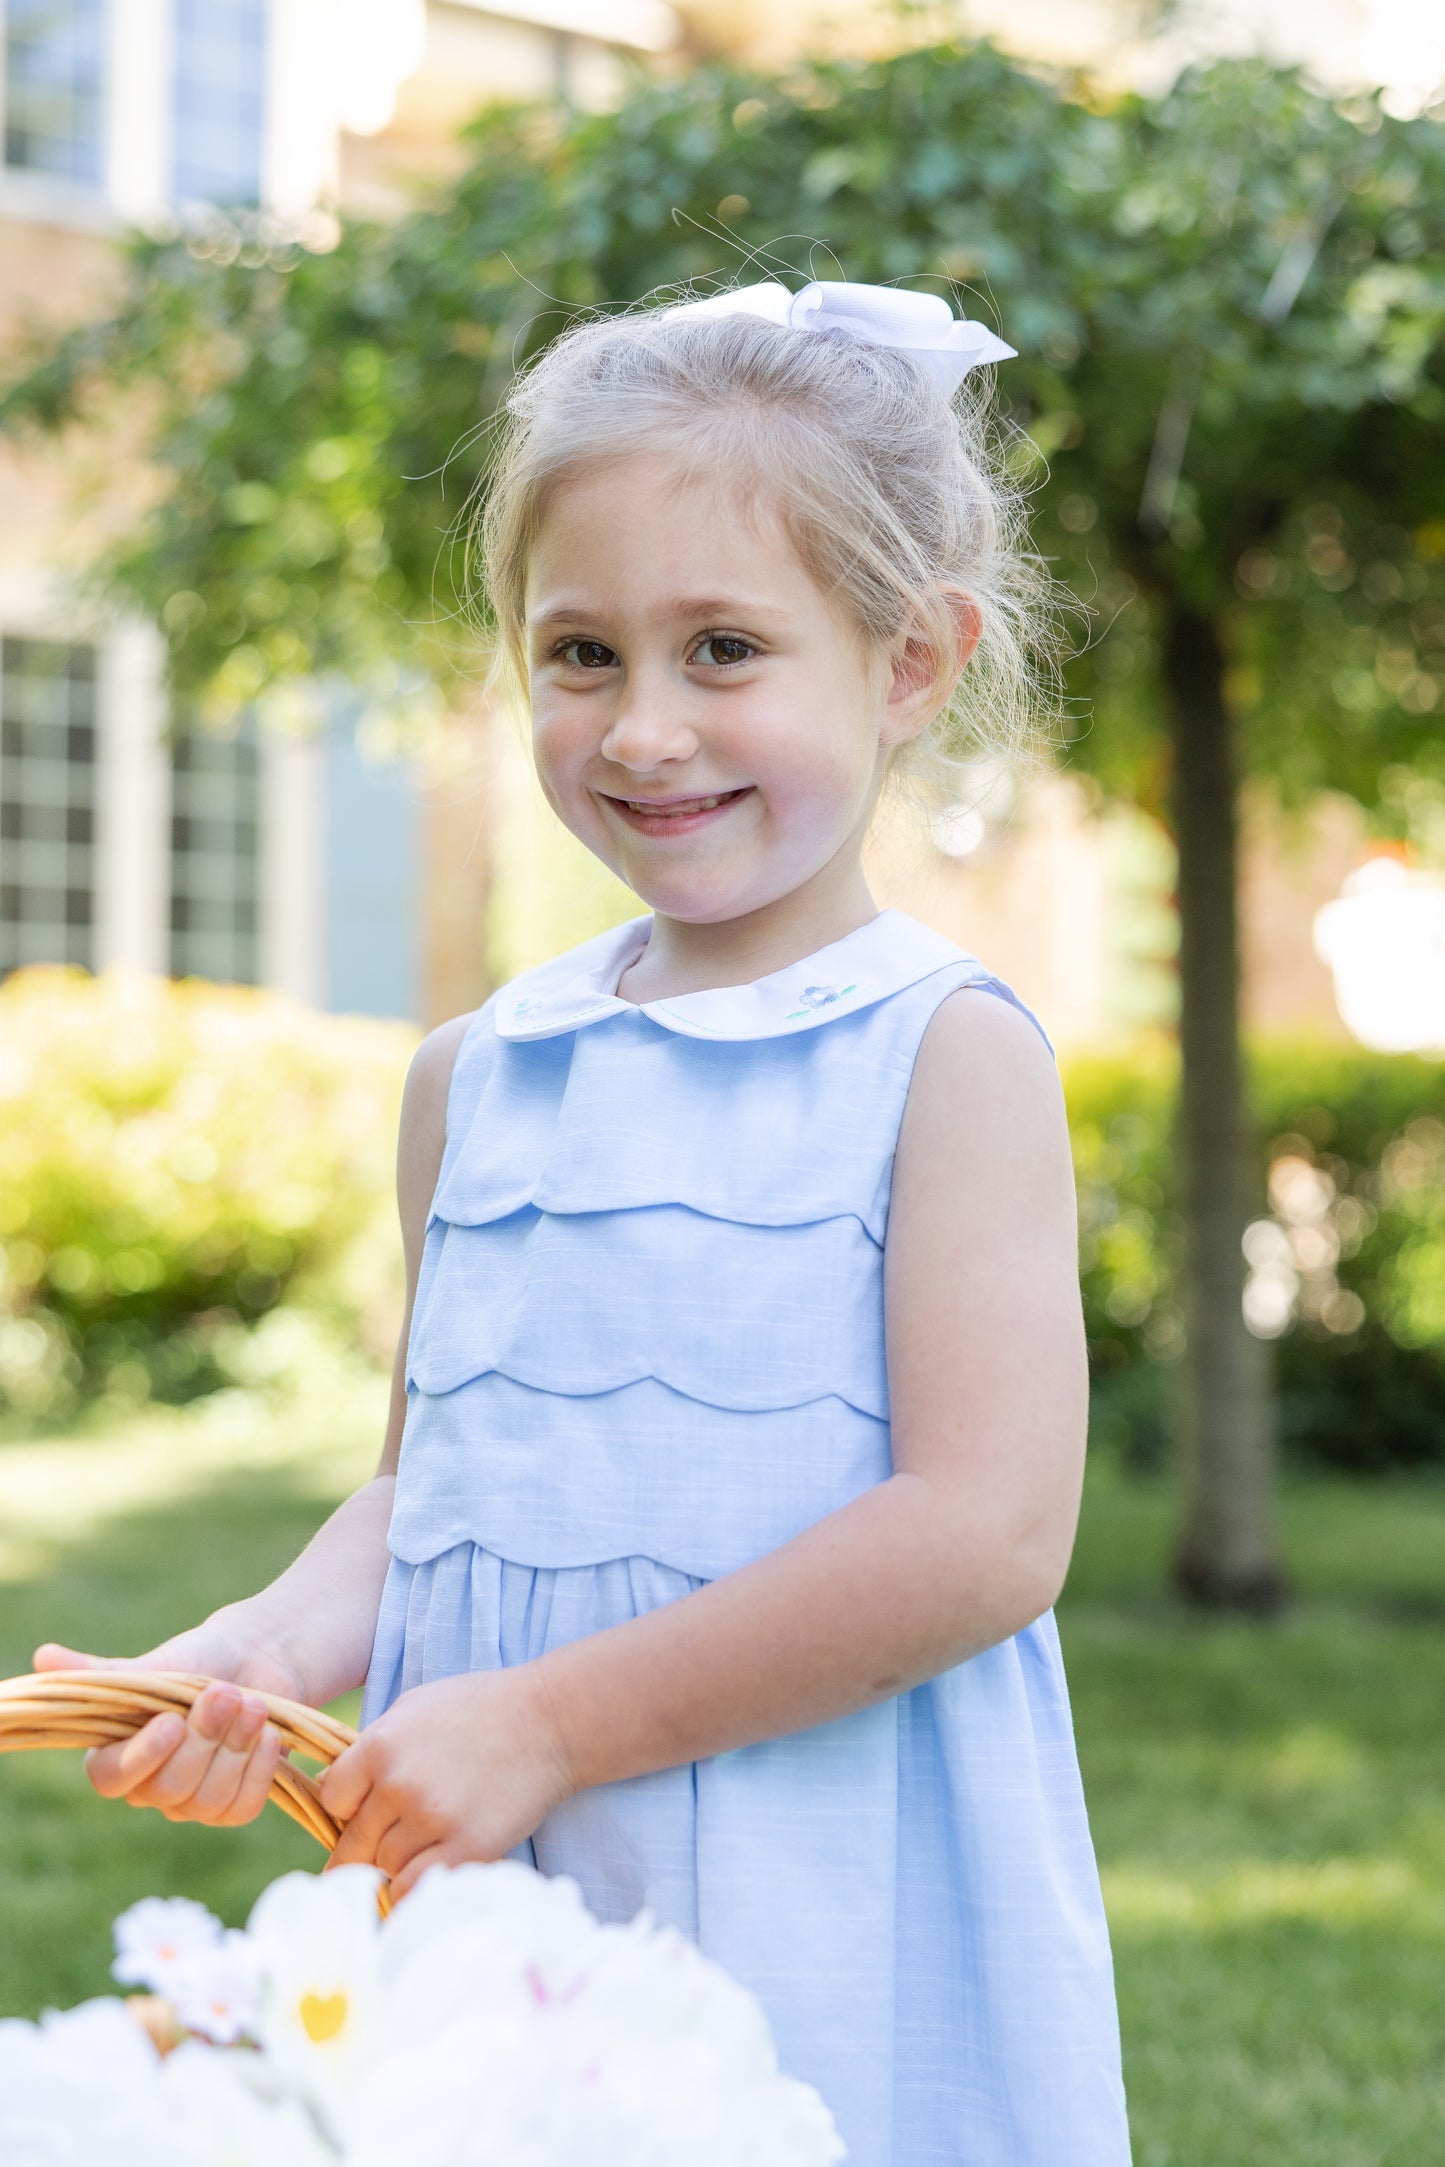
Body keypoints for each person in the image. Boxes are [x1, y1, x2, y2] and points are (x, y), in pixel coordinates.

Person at [37, 279, 1132, 2166]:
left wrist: (549, 1721)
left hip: (808, 1885)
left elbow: (983, 1535)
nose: (642, 731)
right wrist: (276, 1642)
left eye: (722, 648)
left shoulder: (937, 1058)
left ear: (907, 662)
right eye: (577, 654)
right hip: (498, 1877)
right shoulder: (479, 1071)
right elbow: (432, 1487)